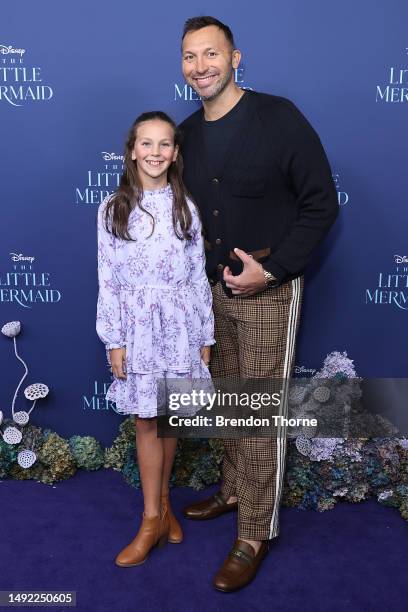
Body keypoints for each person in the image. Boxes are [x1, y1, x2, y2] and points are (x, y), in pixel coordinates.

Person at [179, 16, 339, 592]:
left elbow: (321, 203)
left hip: (271, 289)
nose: (202, 67)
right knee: (228, 401)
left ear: (236, 57)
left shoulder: (278, 117)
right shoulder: (186, 134)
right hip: (212, 295)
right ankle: (233, 491)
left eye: (212, 55)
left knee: (261, 409)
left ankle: (255, 531)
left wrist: (271, 269)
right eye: (191, 57)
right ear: (183, 67)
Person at [96, 111, 215, 567]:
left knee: (169, 419)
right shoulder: (113, 208)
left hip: (181, 328)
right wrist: (115, 339)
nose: (155, 153)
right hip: (138, 329)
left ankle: (164, 509)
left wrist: (204, 333)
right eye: (146, 144)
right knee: (147, 420)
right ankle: (149, 520)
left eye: (164, 144)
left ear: (175, 153)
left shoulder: (186, 207)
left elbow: (197, 279)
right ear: (132, 150)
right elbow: (108, 279)